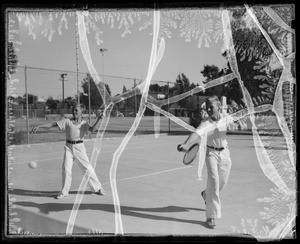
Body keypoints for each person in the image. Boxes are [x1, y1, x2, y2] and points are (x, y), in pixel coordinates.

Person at [177, 95, 234, 229]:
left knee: (222, 182)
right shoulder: (205, 123)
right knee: (213, 182)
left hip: (225, 153)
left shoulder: (226, 118)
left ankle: (206, 194)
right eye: (207, 107)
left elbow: (236, 125)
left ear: (219, 107)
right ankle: (211, 216)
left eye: (211, 107)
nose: (208, 109)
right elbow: (196, 134)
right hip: (211, 154)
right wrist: (186, 144)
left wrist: (239, 125)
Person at [31, 104, 106, 199]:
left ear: (81, 112)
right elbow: (52, 124)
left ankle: (97, 188)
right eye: (73, 110)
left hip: (79, 148)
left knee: (87, 168)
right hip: (68, 147)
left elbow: (92, 129)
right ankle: (64, 192)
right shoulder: (67, 121)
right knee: (66, 169)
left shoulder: (84, 123)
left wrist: (99, 119)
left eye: (76, 110)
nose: (74, 112)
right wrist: (39, 126)